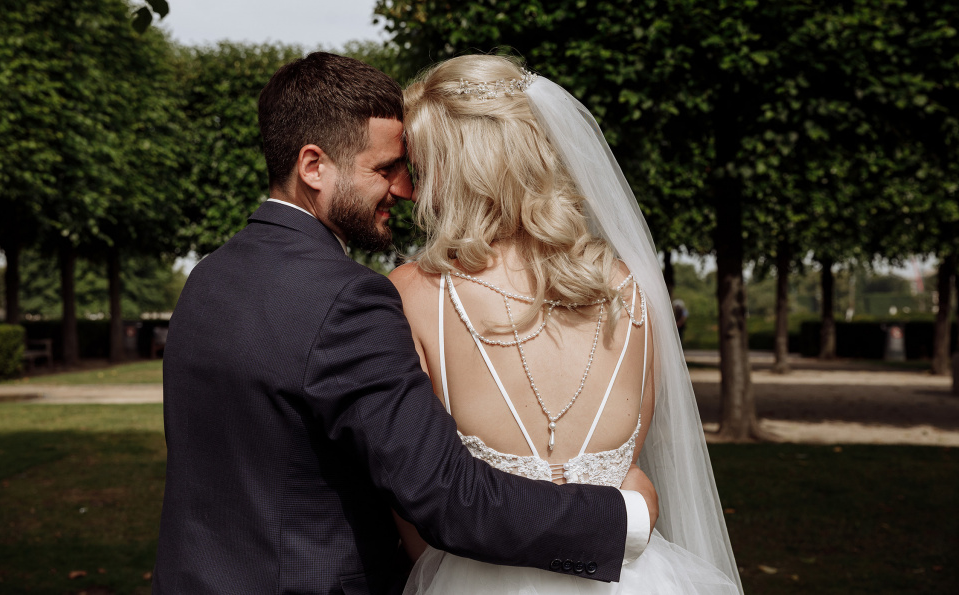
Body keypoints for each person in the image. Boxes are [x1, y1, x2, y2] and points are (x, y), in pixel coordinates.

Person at [152, 52, 658, 594]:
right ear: (313, 167)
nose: (406, 189)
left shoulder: (209, 278)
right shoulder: (350, 298)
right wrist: (626, 516)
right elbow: (448, 497)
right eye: (384, 169)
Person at [390, 55, 742, 594]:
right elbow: (632, 467)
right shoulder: (630, 288)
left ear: (463, 170)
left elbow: (413, 495)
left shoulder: (416, 293)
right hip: (629, 576)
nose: (412, 192)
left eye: (420, 169)